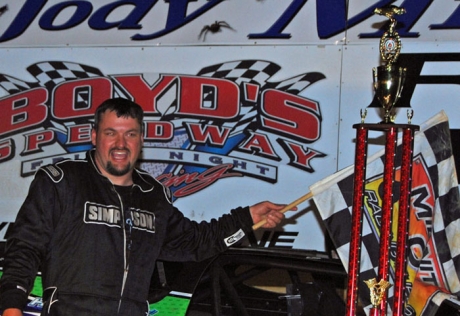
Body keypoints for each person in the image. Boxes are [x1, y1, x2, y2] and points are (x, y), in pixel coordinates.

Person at [0, 98, 295, 316]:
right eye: (110, 132)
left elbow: (195, 243)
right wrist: (11, 308)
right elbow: (24, 247)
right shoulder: (61, 181)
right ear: (93, 138)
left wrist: (246, 218)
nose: (120, 143)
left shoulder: (153, 196)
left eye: (129, 134)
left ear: (141, 140)